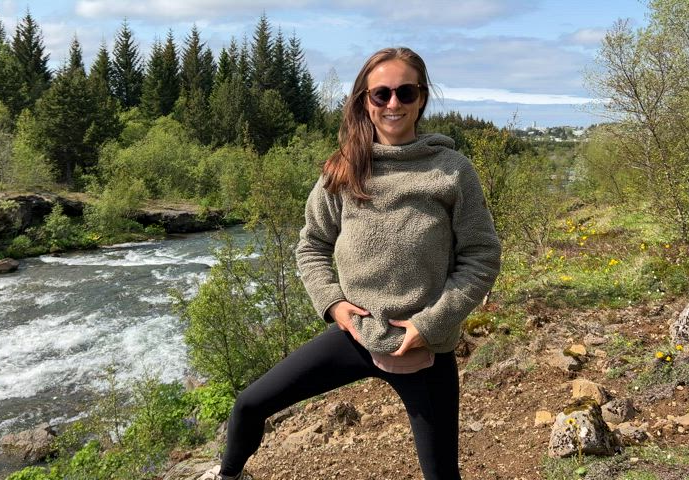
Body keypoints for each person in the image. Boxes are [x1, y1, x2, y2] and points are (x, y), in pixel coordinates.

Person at [204, 46, 501, 480]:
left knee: (442, 475)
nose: (393, 104)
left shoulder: (452, 171)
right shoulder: (343, 170)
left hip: (422, 346)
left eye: (405, 92)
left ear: (422, 97)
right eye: (381, 94)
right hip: (353, 334)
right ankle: (227, 475)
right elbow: (312, 245)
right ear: (365, 100)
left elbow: (481, 256)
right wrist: (333, 304)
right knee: (250, 403)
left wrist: (430, 325)